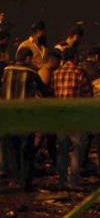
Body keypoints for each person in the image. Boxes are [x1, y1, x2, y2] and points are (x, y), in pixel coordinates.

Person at [1, 47, 50, 191]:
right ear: (28, 58)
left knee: (13, 150)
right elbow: (44, 91)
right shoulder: (31, 73)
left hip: (7, 117)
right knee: (27, 151)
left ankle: (16, 179)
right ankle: (25, 183)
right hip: (25, 118)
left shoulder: (6, 70)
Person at [53, 46, 92, 190]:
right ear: (75, 57)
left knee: (62, 150)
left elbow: (54, 93)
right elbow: (87, 96)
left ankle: (62, 181)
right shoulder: (79, 73)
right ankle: (73, 182)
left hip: (60, 117)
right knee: (76, 150)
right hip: (76, 117)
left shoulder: (56, 73)